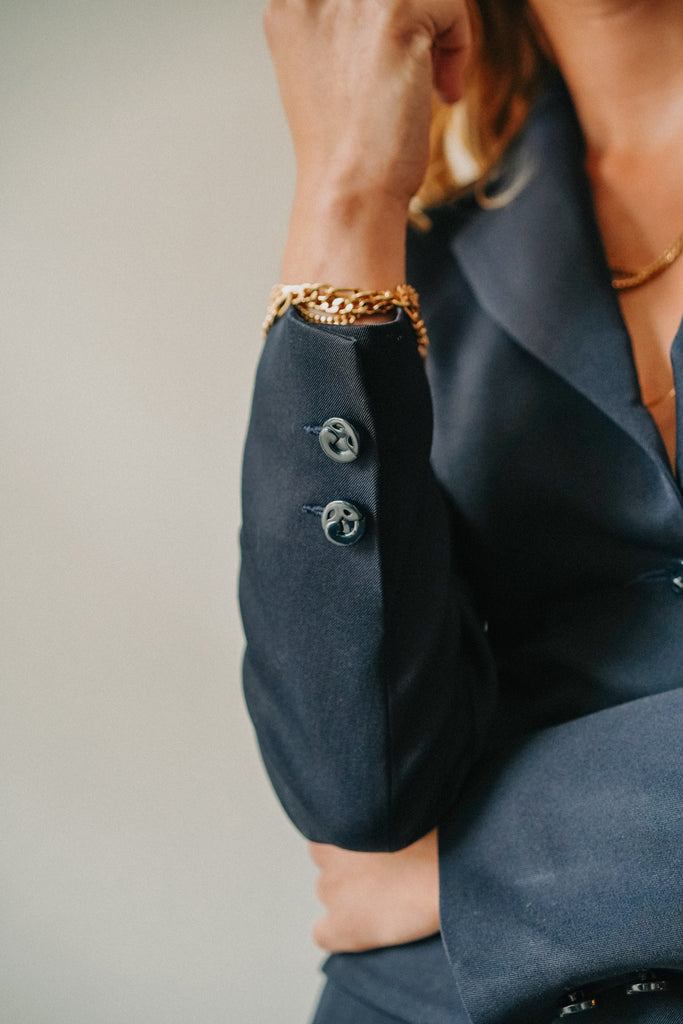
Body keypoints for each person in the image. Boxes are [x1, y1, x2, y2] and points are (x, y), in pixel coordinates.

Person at [239, 0, 683, 1021]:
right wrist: (346, 195)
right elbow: (354, 784)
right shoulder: (430, 268)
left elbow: (408, 864)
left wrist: (488, 868)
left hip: (461, 924)